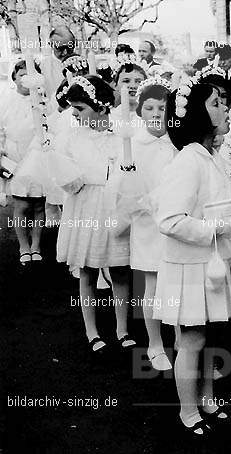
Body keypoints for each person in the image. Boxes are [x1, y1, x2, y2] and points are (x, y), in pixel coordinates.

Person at [154, 74, 231, 436]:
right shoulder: (188, 161)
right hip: (191, 265)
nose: (226, 108)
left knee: (210, 335)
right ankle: (187, 409)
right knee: (193, 338)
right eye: (216, 103)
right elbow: (169, 220)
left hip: (210, 262)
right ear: (198, 115)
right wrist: (217, 228)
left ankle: (208, 398)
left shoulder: (209, 156)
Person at [55, 75, 133, 355]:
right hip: (86, 205)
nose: (74, 114)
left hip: (115, 205)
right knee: (87, 270)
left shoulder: (123, 133)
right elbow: (68, 180)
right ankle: (92, 330)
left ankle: (122, 328)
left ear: (100, 106)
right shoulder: (72, 138)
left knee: (120, 269)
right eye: (73, 108)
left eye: (79, 108)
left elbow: (131, 169)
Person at [117, 77, 176, 371]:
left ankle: (183, 339)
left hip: (175, 222)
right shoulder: (133, 145)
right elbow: (125, 189)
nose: (155, 113)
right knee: (151, 284)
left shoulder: (177, 144)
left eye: (162, 107)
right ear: (140, 111)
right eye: (149, 107)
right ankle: (155, 342)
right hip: (147, 222)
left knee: (179, 284)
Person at [0, 59, 46, 264]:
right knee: (21, 204)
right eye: (21, 75)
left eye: (31, 75)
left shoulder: (43, 100)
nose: (25, 80)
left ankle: (36, 244)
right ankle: (23, 245)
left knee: (38, 203)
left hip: (38, 154)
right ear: (15, 78)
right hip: (15, 155)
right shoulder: (5, 99)